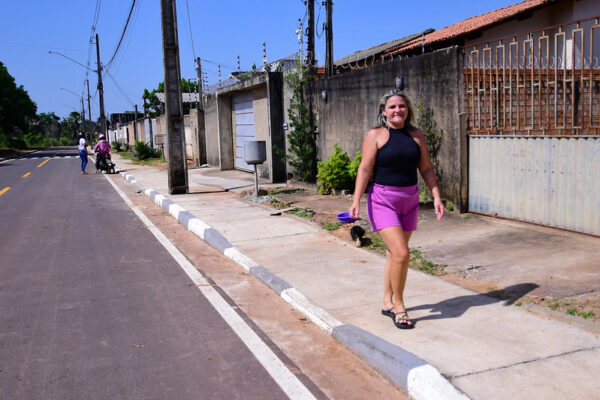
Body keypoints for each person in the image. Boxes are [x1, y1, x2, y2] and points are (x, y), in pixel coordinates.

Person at [349, 90, 444, 329]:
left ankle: (386, 301)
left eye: (401, 106)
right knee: (402, 253)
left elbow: (427, 169)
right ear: (383, 111)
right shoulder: (376, 135)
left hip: (409, 199)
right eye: (392, 107)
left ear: (407, 109)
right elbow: (365, 169)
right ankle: (399, 306)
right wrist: (355, 201)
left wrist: (436, 197)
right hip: (382, 200)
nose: (397, 110)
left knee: (395, 254)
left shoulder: (416, 136)